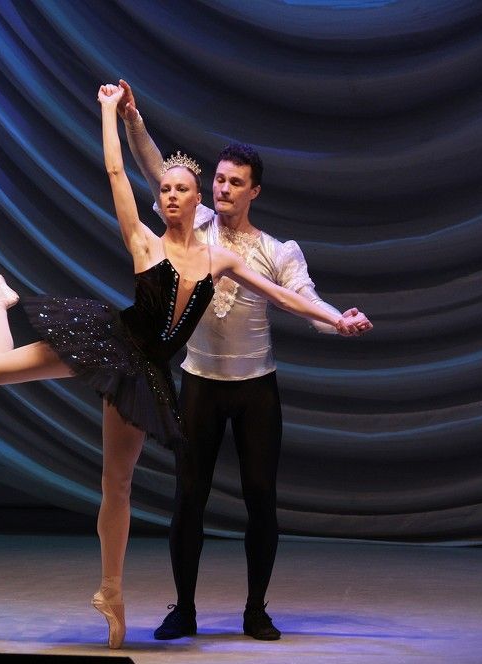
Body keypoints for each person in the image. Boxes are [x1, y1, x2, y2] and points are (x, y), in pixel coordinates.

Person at [0, 84, 362, 649]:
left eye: (192, 188)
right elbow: (121, 170)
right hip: (122, 348)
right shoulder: (146, 240)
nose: (180, 195)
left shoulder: (234, 254)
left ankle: (116, 592)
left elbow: (289, 297)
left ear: (239, 193)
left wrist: (337, 318)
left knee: (122, 482)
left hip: (163, 375)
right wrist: (114, 114)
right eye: (170, 189)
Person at [116, 80, 372, 641]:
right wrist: (133, 119)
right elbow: (156, 168)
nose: (223, 188)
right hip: (200, 383)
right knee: (189, 496)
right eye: (220, 180)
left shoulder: (278, 252)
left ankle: (256, 610)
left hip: (256, 388)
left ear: (254, 191)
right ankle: (184, 609)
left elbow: (302, 300)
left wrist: (339, 320)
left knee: (261, 498)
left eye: (235, 182)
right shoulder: (195, 224)